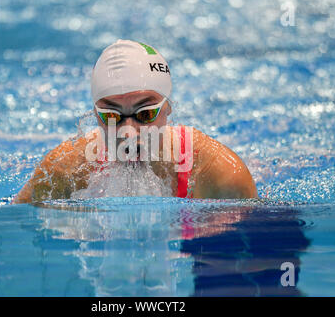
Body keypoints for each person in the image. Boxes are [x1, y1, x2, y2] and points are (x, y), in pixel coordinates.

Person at [13, 39, 257, 203]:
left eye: (144, 114)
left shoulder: (218, 175)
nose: (128, 134)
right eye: (111, 116)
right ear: (95, 114)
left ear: (168, 107)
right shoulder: (66, 170)